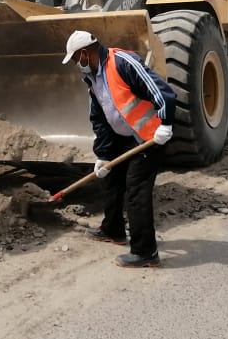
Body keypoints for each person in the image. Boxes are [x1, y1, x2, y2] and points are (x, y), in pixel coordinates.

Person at [62, 29, 176, 268]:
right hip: (123, 137)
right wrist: (103, 155)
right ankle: (113, 230)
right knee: (111, 180)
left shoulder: (123, 62)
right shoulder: (93, 77)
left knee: (136, 193)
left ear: (84, 53)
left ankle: (145, 252)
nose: (76, 64)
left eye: (75, 58)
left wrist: (165, 123)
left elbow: (163, 92)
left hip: (149, 137)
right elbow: (100, 119)